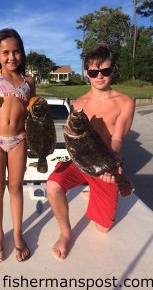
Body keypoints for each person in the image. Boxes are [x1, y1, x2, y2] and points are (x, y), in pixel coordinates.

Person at [46, 43, 135, 261]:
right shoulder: (78, 104)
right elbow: (72, 140)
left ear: (113, 69)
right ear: (87, 73)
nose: (100, 76)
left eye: (105, 70)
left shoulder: (125, 102)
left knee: (102, 229)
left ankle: (94, 191)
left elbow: (117, 139)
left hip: (106, 165)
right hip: (81, 162)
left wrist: (110, 165)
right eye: (94, 72)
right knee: (52, 185)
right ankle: (66, 233)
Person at [0, 28, 36, 262]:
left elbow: (32, 113)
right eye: (6, 52)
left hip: (19, 140)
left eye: (16, 52)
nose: (12, 57)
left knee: (16, 189)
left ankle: (19, 235)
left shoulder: (28, 81)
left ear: (22, 53)